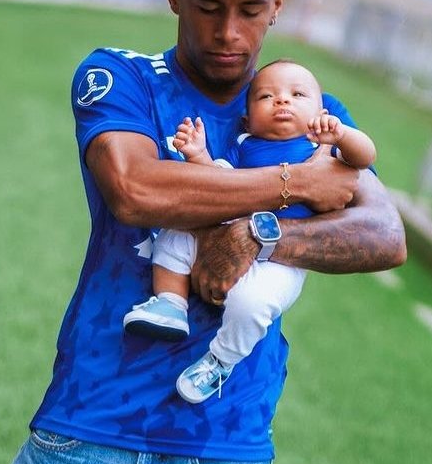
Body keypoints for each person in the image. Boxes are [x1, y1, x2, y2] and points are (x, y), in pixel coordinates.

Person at [0, 0, 406, 464]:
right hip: (90, 427)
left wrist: (260, 235)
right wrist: (297, 183)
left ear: (278, 7)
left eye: (251, 10)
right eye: (209, 6)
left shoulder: (308, 107)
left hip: (224, 450)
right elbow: (135, 189)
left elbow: (384, 234)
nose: (228, 31)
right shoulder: (120, 76)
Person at [124, 59, 377, 403]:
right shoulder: (244, 144)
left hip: (281, 259)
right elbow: (219, 180)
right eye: (266, 97)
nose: (282, 100)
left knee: (253, 304)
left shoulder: (322, 147)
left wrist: (343, 135)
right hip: (229, 226)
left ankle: (220, 360)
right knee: (176, 232)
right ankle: (170, 302)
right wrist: (199, 155)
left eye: (297, 95)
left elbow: (365, 157)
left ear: (321, 112)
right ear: (247, 119)